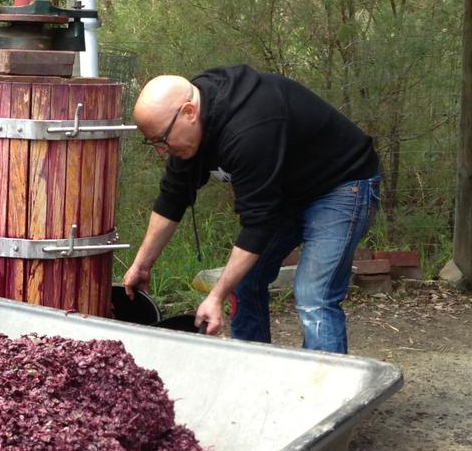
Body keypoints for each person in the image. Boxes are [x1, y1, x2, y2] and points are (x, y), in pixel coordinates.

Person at [122, 64, 380, 354]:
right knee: (244, 282)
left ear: (189, 112)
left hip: (342, 185)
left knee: (314, 295)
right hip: (287, 191)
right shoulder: (190, 126)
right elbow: (172, 196)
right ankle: (254, 373)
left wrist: (216, 296)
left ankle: (328, 392)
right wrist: (141, 265)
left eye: (162, 140)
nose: (161, 151)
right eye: (153, 143)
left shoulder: (249, 130)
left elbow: (257, 224)